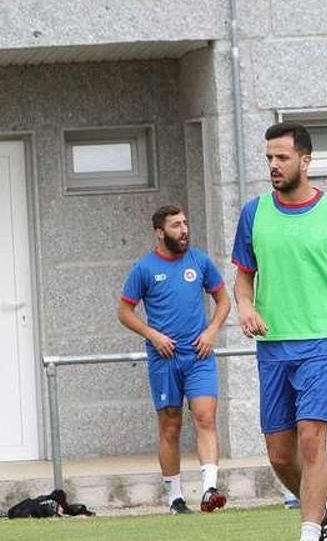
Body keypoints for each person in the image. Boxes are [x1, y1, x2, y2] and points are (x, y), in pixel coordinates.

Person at [232, 122, 327, 541]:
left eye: (282, 157)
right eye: (268, 158)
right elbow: (244, 277)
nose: (273, 165)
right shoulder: (254, 213)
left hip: (323, 340)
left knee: (311, 437)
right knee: (280, 454)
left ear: (305, 160)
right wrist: (245, 307)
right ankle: (318, 506)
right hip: (272, 346)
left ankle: (309, 531)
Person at [118, 205, 231, 515]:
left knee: (206, 416)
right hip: (164, 359)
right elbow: (124, 312)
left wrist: (211, 330)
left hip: (199, 355)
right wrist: (153, 335)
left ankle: (209, 489)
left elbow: (223, 299)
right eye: (176, 225)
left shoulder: (200, 261)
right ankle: (175, 498)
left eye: (185, 223)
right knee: (170, 426)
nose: (184, 230)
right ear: (160, 232)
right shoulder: (144, 268)